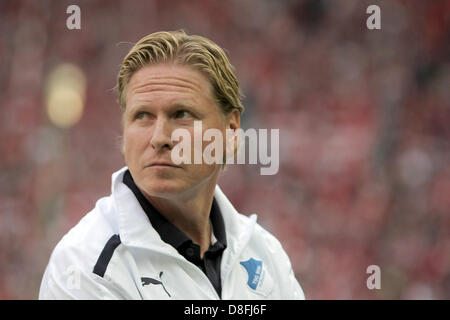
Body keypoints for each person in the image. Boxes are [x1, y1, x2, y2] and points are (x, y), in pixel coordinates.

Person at [39, 30, 305, 299]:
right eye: (142, 116)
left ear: (232, 130)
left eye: (181, 115)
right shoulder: (85, 267)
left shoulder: (265, 253)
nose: (159, 138)